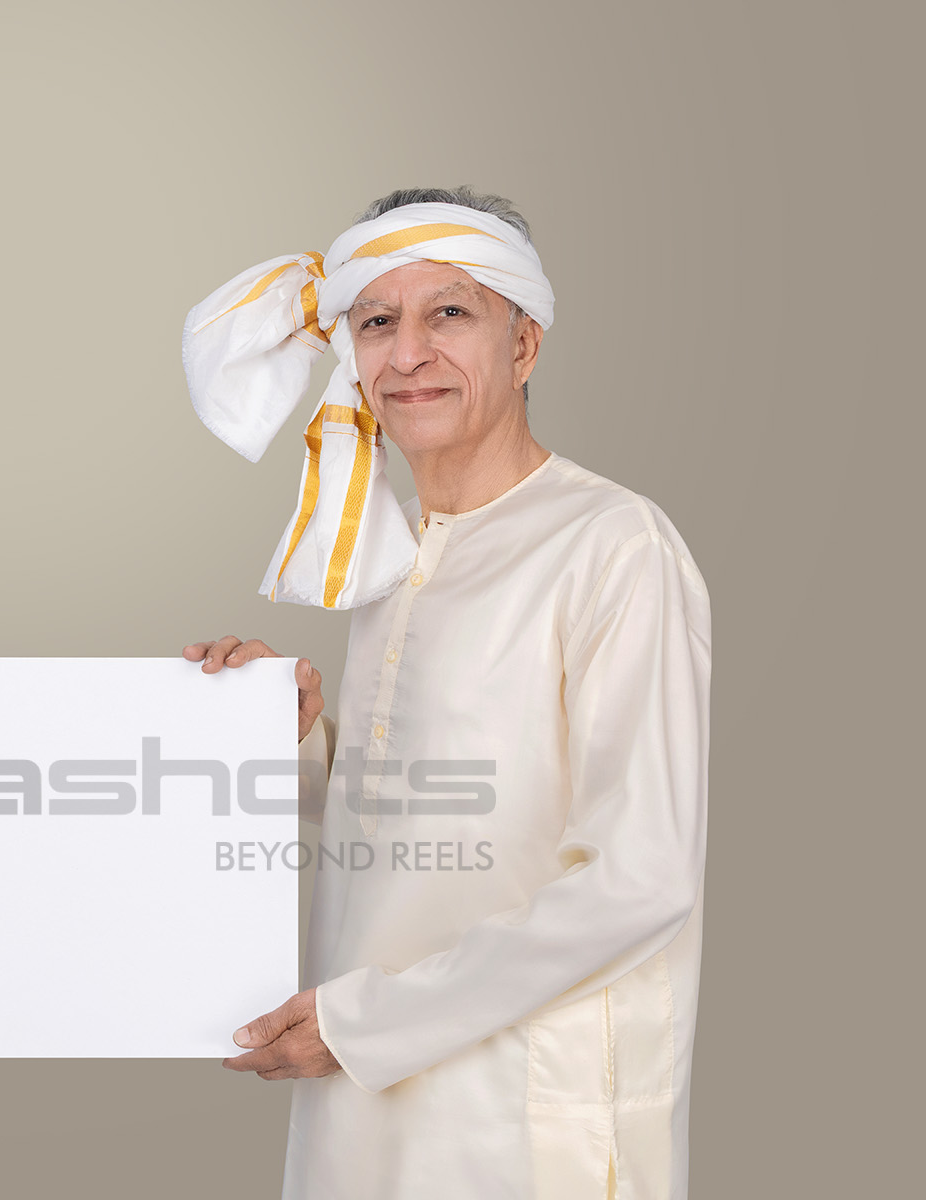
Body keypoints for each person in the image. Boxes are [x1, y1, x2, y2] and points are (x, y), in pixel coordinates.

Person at [181, 188, 710, 1198]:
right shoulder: (393, 560)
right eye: (377, 321)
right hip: (364, 1116)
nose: (407, 354)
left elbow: (641, 875)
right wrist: (294, 742)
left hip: (523, 1125)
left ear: (525, 344)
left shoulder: (613, 546)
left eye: (449, 313)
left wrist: (362, 1023)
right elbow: (431, 818)